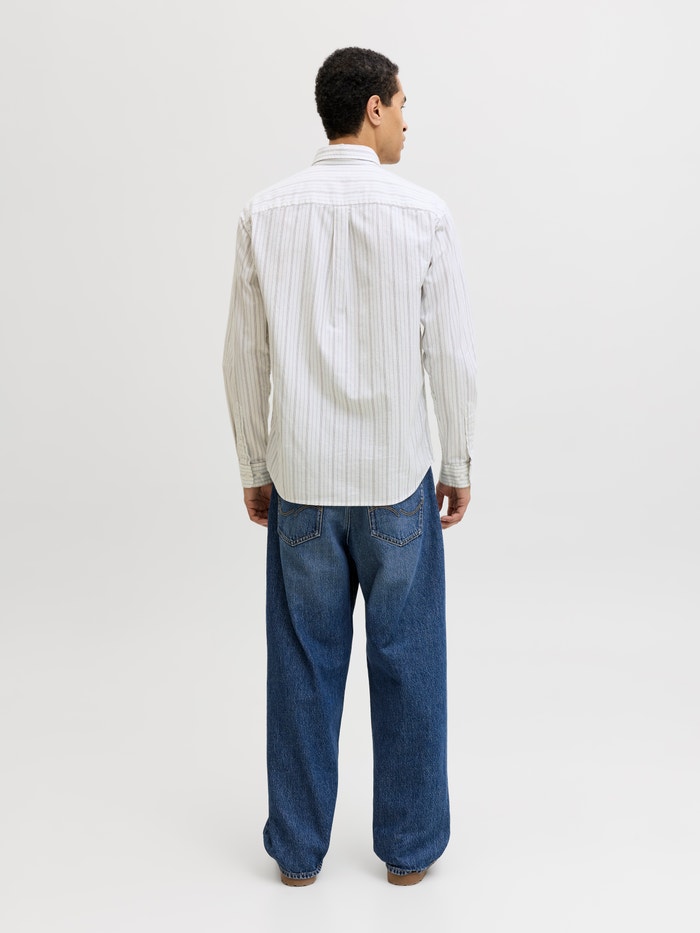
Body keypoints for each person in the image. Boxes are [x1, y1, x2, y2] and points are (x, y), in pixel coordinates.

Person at [222, 46, 477, 887]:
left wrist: (254, 462)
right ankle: (409, 852)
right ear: (372, 107)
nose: (406, 121)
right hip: (397, 480)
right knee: (410, 661)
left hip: (300, 481)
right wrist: (457, 457)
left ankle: (298, 854)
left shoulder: (265, 213)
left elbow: (243, 356)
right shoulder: (424, 214)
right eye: (401, 105)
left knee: (302, 664)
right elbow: (452, 354)